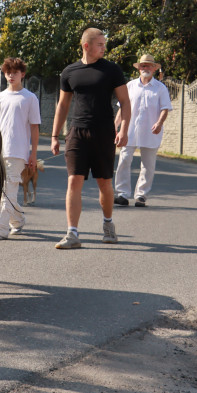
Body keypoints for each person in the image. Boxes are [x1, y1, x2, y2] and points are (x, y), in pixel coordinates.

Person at [50, 28, 131, 249]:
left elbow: (125, 102)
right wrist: (55, 135)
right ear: (87, 46)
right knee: (73, 180)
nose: (104, 48)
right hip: (77, 132)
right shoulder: (69, 72)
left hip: (104, 132)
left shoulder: (112, 70)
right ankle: (72, 233)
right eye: (100, 44)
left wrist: (123, 129)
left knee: (104, 182)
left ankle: (107, 224)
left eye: (104, 44)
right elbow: (63, 105)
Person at [0, 57, 41, 240]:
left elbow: (35, 127)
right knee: (1, 190)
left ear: (22, 74)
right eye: (8, 72)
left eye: (15, 72)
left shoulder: (30, 98)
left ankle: (0, 228)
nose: (11, 75)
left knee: (8, 187)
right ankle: (17, 219)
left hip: (18, 152)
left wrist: (33, 154)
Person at [114, 54, 172, 207]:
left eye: (148, 66)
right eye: (143, 65)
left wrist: (159, 123)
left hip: (151, 132)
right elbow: (122, 108)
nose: (145, 68)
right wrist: (115, 126)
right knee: (124, 160)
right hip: (129, 130)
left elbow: (165, 109)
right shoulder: (130, 86)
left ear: (154, 68)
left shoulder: (160, 88)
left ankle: (141, 196)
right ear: (139, 68)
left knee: (148, 165)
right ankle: (122, 194)